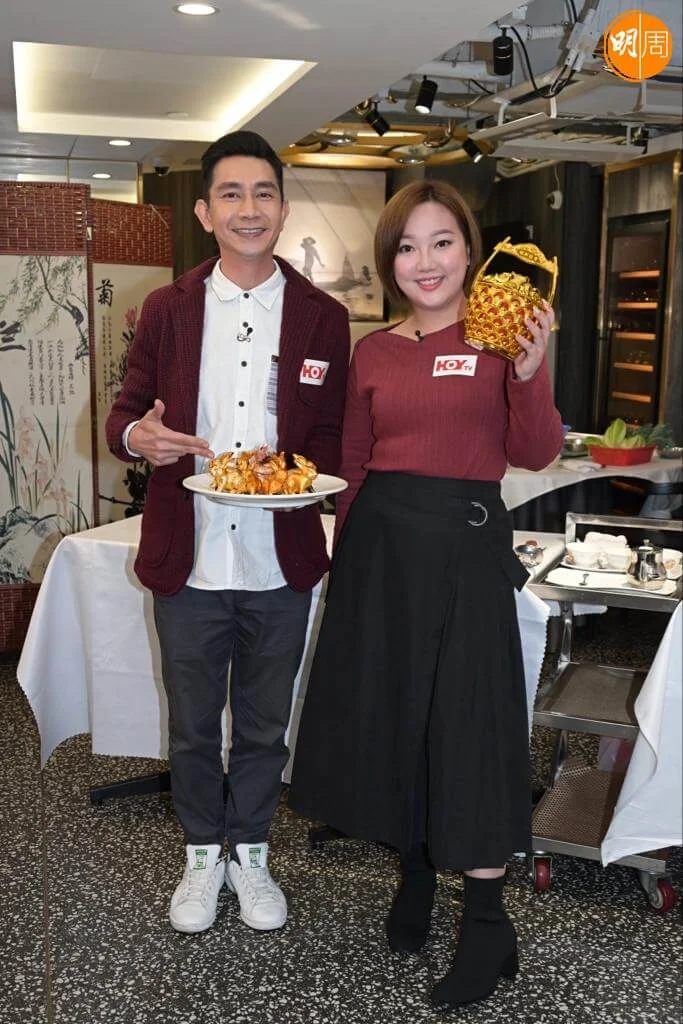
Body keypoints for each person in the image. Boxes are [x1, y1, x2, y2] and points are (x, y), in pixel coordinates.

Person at [289, 179, 563, 1009]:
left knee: (469, 728)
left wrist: (530, 373)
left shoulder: (503, 337)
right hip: (379, 552)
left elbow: (536, 451)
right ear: (390, 263)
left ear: (470, 252)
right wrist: (343, 557)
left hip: (464, 549)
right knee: (392, 717)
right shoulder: (373, 352)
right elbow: (355, 460)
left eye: (441, 242)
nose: (425, 261)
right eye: (407, 247)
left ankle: (485, 922)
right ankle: (412, 873)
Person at [105, 130, 350, 935]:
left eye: (264, 193)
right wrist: (138, 437)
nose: (250, 208)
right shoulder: (168, 309)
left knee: (264, 726)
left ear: (282, 208)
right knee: (190, 725)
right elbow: (124, 415)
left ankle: (251, 851)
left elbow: (334, 435)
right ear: (206, 212)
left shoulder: (322, 318)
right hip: (192, 555)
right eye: (232, 194)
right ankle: (200, 856)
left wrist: (307, 477)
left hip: (282, 560)